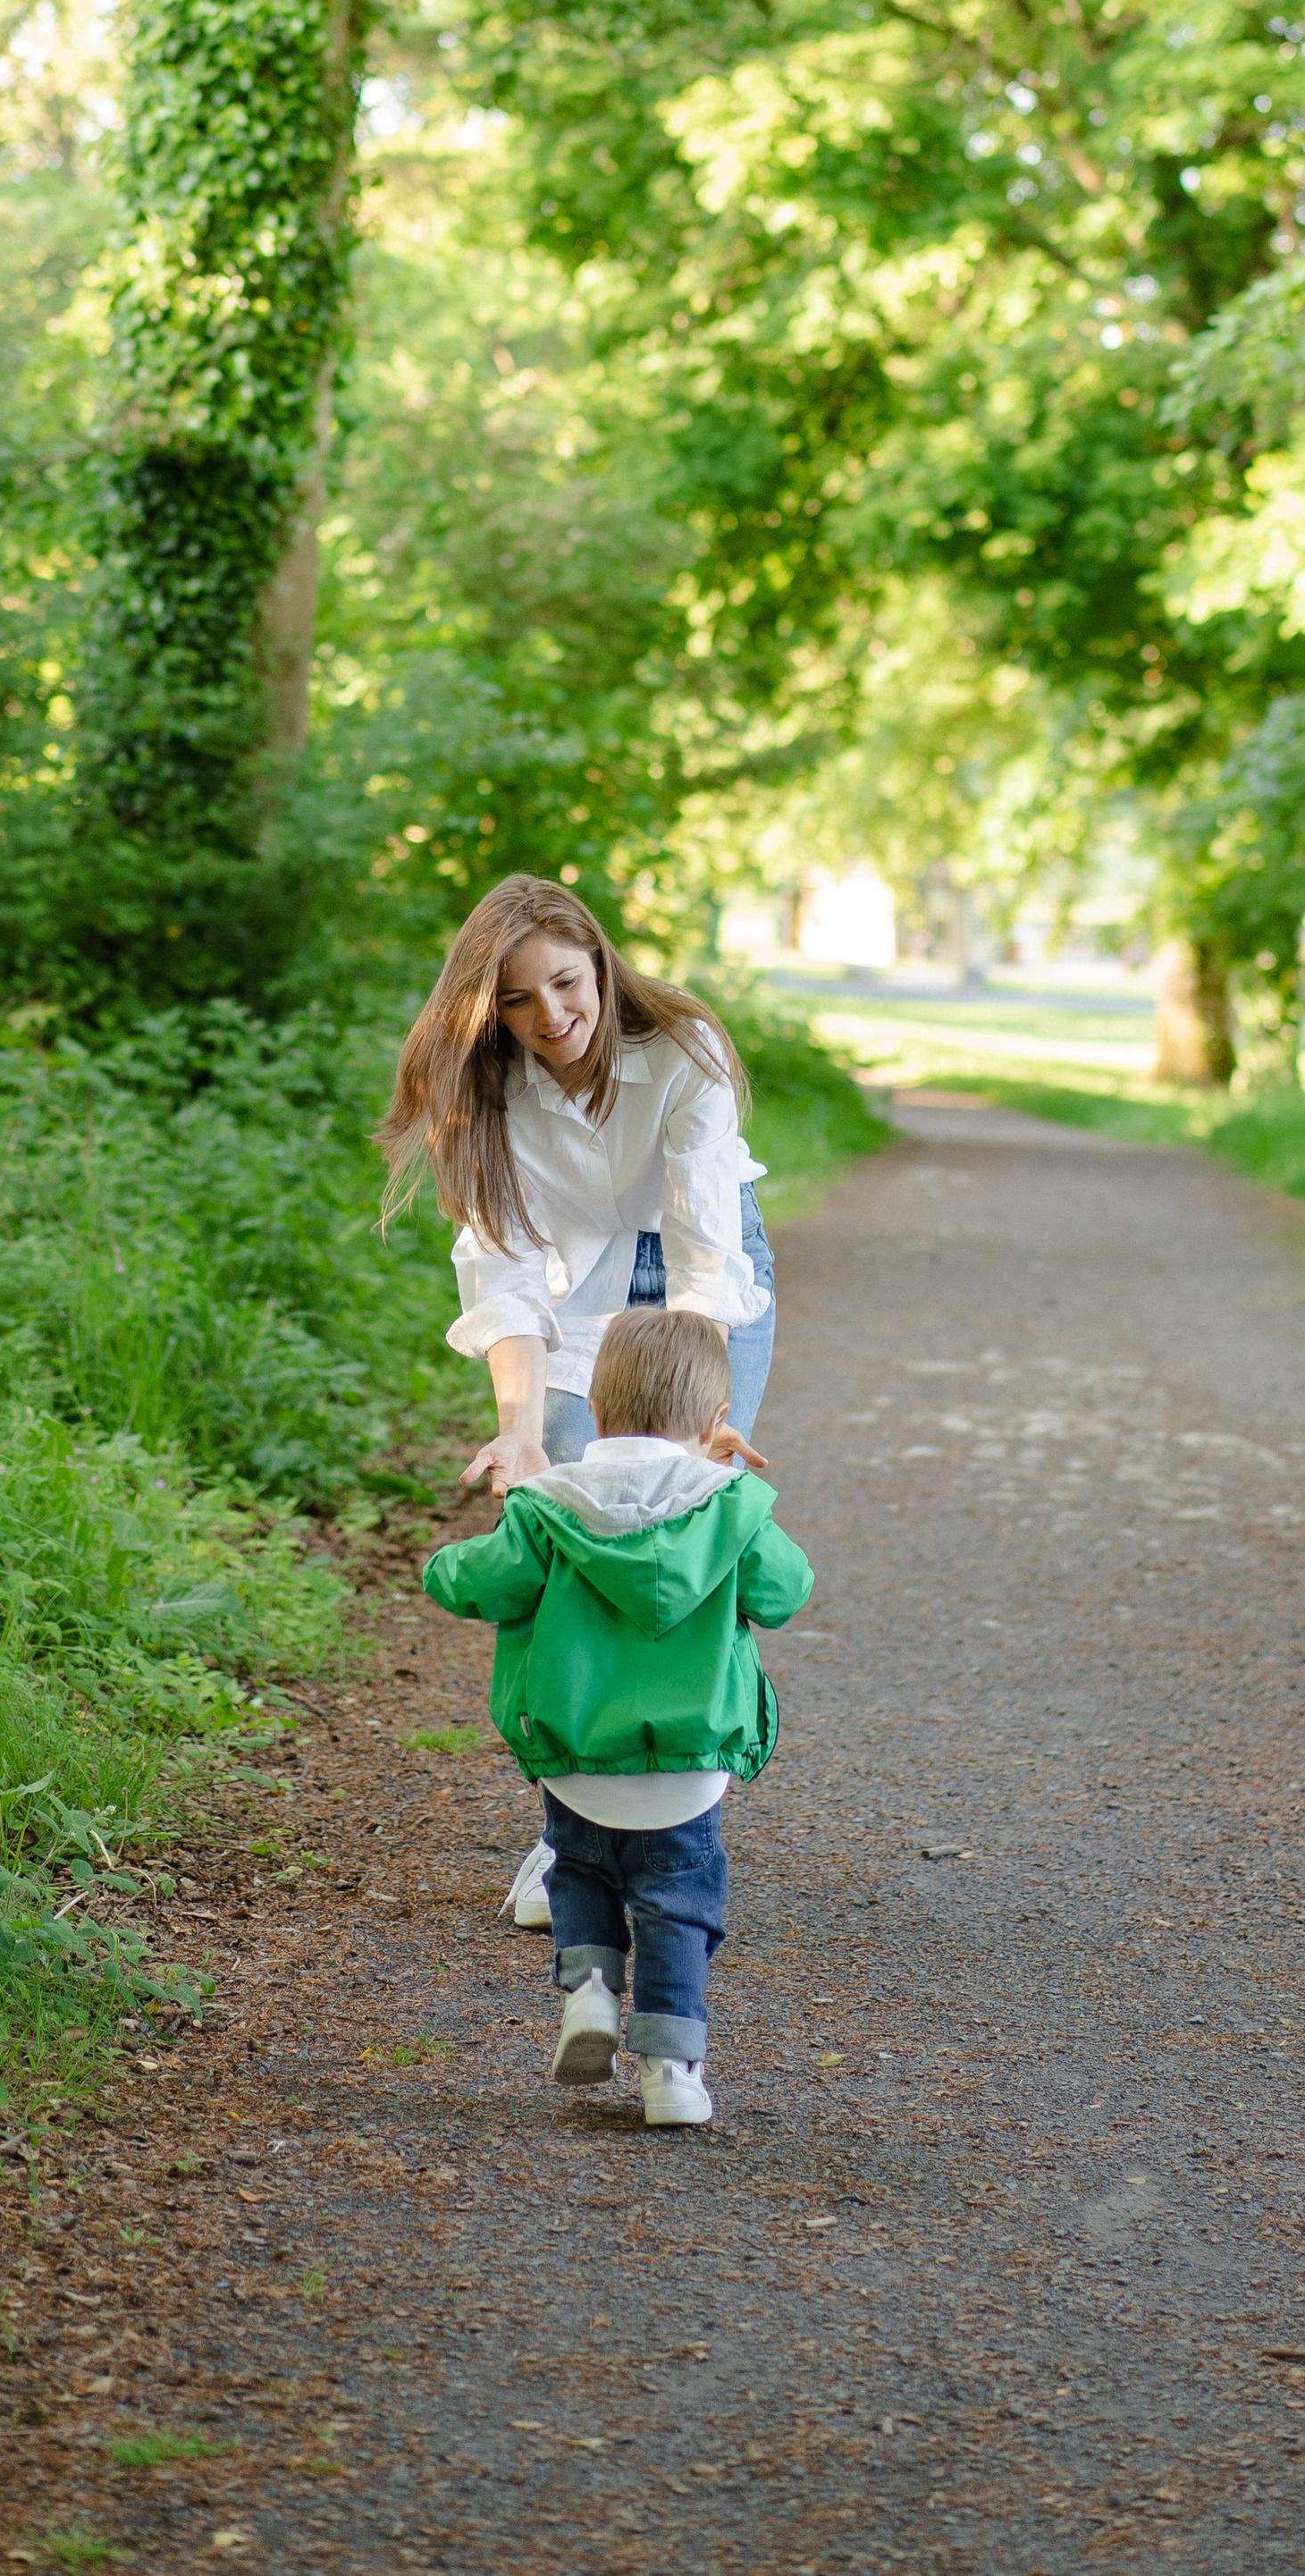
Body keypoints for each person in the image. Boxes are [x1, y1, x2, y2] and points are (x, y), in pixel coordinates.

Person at [379, 874, 779, 1926]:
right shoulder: (481, 1091)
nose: (550, 1016)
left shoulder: (685, 1049)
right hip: (568, 1285)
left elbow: (699, 1253)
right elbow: (504, 1277)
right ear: (487, 1010)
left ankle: (677, 1818)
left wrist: (701, 1421)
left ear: (600, 962)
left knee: (684, 1523)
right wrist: (519, 1434)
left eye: (566, 982)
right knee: (567, 1540)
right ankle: (569, 1839)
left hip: (702, 1274)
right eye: (517, 1000)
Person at [419, 1305, 813, 2129]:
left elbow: (472, 1582)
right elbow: (785, 1593)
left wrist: (445, 1557)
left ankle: (590, 1991)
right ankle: (671, 2070)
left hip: (574, 1755)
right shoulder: (731, 1505)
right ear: (715, 1424)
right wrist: (736, 1490)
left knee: (581, 1870)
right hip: (689, 1763)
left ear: (596, 1413)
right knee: (679, 1906)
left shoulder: (546, 1505)